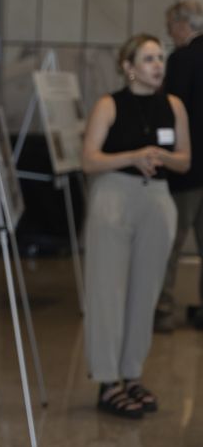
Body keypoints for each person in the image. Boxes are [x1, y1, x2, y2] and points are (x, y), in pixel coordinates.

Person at [82, 33, 191, 418]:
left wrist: (161, 155)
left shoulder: (174, 105)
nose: (158, 65)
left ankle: (132, 374)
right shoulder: (108, 105)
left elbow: (185, 161)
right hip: (114, 196)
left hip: (157, 201)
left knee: (145, 292)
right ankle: (108, 381)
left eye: (160, 57)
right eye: (148, 59)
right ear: (128, 68)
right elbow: (89, 160)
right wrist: (132, 155)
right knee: (107, 291)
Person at [154, 0, 203, 332]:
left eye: (171, 25)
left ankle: (163, 309)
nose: (170, 32)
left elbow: (168, 112)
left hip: (188, 167)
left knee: (171, 238)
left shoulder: (181, 60)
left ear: (184, 25)